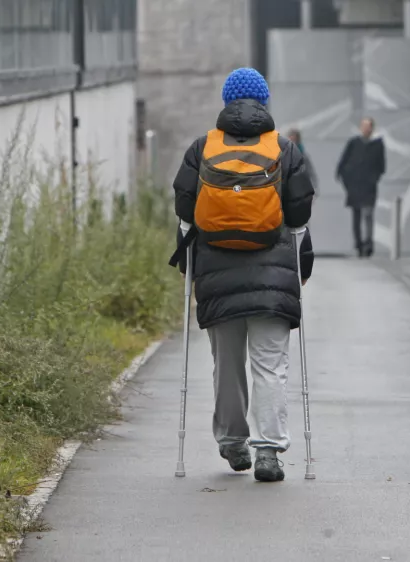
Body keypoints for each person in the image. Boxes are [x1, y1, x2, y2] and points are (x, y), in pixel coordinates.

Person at [170, 67, 316, 482]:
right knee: (270, 366)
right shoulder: (284, 149)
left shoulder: (203, 148)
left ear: (226, 101)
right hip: (273, 275)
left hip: (218, 275)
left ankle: (233, 441)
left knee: (227, 364)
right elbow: (300, 215)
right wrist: (303, 261)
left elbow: (184, 211)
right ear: (264, 102)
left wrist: (186, 259)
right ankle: (268, 451)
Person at [336, 117, 385, 258]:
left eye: (368, 126)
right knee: (356, 216)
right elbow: (343, 163)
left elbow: (381, 166)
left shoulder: (377, 145)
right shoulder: (354, 143)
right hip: (355, 186)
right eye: (363, 126)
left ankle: (368, 244)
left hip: (369, 187)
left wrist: (373, 179)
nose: (365, 129)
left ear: (372, 128)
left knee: (368, 214)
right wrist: (347, 180)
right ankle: (359, 245)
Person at [287, 129, 319, 198]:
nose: (292, 141)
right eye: (290, 138)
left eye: (294, 139)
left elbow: (311, 172)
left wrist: (314, 188)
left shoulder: (303, 155)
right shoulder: (283, 154)